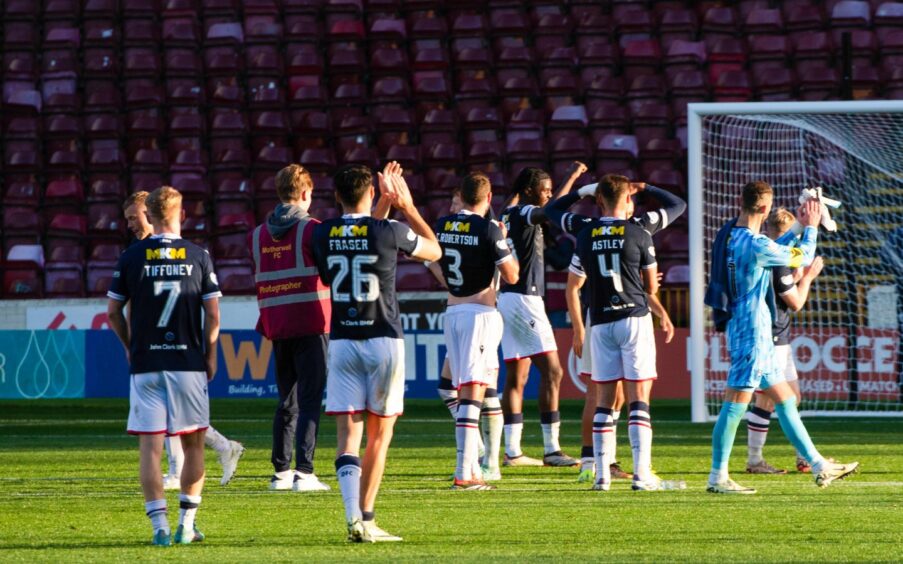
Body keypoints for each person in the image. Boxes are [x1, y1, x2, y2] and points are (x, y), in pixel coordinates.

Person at [312, 163, 441, 542]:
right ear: (371, 192)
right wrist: (406, 206)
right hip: (383, 338)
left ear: (336, 196)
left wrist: (380, 206)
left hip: (342, 341)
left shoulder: (322, 235)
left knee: (346, 436)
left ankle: (354, 518)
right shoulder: (390, 229)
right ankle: (367, 519)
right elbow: (434, 251)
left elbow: (354, 244)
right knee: (378, 437)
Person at [705, 181, 858, 494]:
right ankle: (717, 476)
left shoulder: (731, 234)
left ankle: (818, 464)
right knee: (736, 402)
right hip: (752, 332)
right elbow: (801, 258)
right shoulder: (756, 244)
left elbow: (774, 249)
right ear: (764, 209)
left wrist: (799, 224)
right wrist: (812, 228)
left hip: (748, 327)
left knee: (786, 399)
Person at [545, 179, 686, 482]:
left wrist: (584, 190)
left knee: (604, 399)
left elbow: (553, 209)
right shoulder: (640, 228)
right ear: (628, 198)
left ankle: (601, 478)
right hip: (633, 317)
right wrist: (647, 186)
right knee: (638, 397)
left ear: (599, 201)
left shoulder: (585, 230)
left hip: (601, 321)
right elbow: (678, 205)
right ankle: (641, 474)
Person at [107, 186, 222, 545]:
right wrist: (211, 355)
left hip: (146, 364)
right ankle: (186, 526)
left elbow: (113, 312)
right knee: (193, 445)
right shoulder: (199, 255)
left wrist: (130, 347)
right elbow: (213, 315)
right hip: (187, 362)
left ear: (149, 217)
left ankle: (158, 528)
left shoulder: (131, 257)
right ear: (181, 215)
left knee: (150, 449)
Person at [122, 191, 244, 490]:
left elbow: (210, 311)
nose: (131, 225)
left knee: (179, 421)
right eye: (126, 220)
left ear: (150, 214)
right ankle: (219, 450)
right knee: (177, 418)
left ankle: (183, 470)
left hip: (177, 348)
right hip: (155, 346)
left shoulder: (185, 255)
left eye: (134, 217)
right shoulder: (138, 254)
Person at [249, 164, 332, 492]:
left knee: (287, 398)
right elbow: (328, 272)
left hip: (277, 323)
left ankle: (281, 472)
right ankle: (305, 472)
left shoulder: (257, 235)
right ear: (305, 194)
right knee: (311, 398)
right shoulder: (313, 229)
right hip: (312, 322)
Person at [433, 173, 519, 489]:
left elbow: (431, 262)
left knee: (468, 388)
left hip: (453, 310)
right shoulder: (489, 229)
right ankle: (465, 472)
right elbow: (511, 275)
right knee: (474, 391)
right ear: (488, 196)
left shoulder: (443, 225)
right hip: (480, 315)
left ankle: (476, 466)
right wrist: (504, 245)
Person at [498, 164, 585, 467]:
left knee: (517, 374)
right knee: (553, 371)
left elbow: (551, 207)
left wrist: (570, 179)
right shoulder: (523, 212)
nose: (548, 192)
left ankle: (512, 451)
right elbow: (552, 211)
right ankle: (551, 449)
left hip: (507, 298)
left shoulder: (508, 212)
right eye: (544, 188)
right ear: (530, 190)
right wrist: (577, 187)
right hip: (525, 299)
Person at [746, 208, 825, 474]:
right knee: (767, 400)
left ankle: (802, 457)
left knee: (790, 397)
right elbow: (796, 302)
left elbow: (780, 287)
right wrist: (809, 278)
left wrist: (798, 277)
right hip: (771, 338)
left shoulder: (764, 252)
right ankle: (755, 460)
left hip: (777, 336)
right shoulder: (778, 260)